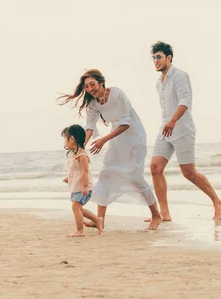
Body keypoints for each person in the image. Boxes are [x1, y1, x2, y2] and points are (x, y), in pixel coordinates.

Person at [59, 69, 163, 230]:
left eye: (92, 84)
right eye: (86, 86)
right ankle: (99, 219)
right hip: (117, 138)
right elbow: (90, 127)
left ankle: (156, 215)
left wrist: (104, 140)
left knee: (135, 176)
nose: (90, 89)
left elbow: (126, 123)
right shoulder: (93, 104)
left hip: (134, 136)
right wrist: (80, 148)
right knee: (105, 174)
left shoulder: (116, 95)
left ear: (101, 82)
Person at [147, 41, 221, 222]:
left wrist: (173, 121)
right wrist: (167, 123)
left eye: (159, 57)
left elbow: (185, 101)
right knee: (155, 168)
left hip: (182, 129)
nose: (156, 61)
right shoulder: (159, 83)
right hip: (165, 130)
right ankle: (164, 213)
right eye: (154, 58)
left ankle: (217, 201)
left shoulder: (180, 76)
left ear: (169, 58)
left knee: (188, 173)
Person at [61, 124, 103, 237]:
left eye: (65, 139)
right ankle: (97, 220)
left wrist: (85, 187)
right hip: (76, 186)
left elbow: (85, 171)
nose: (64, 142)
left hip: (83, 187)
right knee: (78, 209)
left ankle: (80, 231)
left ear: (72, 139)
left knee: (75, 207)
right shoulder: (73, 154)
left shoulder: (82, 155)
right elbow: (74, 169)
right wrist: (68, 178)